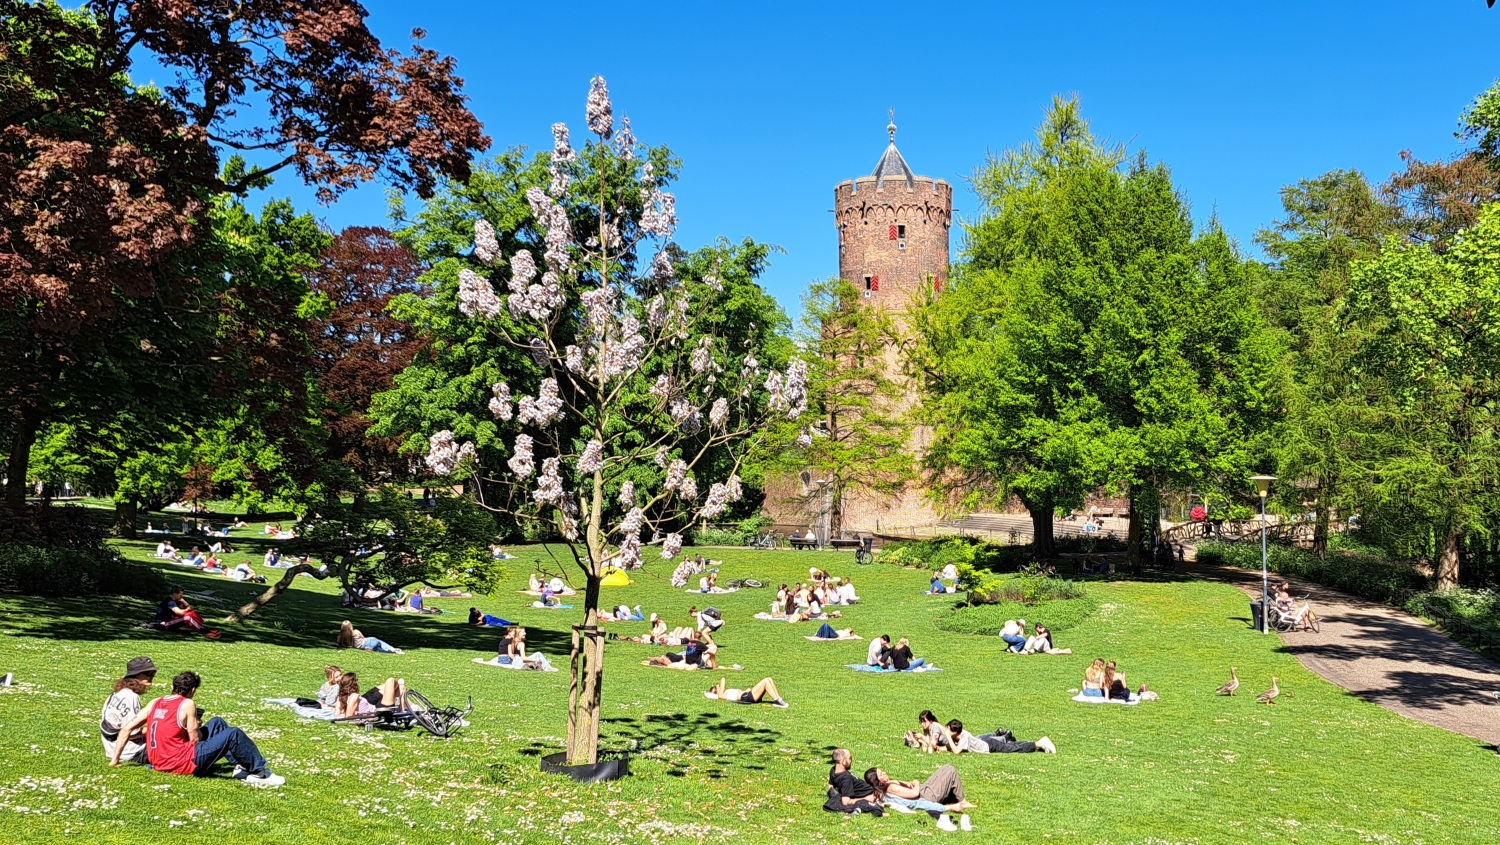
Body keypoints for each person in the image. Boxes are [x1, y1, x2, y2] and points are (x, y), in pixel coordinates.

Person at [109, 671, 284, 787]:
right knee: (233, 734)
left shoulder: (156, 702)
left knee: (217, 723)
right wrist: (195, 725)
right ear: (193, 690)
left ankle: (241, 766)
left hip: (158, 760)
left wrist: (115, 760)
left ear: (173, 687)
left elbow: (126, 729)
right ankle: (260, 772)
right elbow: (194, 740)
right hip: (180, 762)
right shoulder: (187, 704)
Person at [862, 766, 970, 830]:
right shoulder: (891, 788)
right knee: (950, 769)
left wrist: (907, 783)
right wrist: (917, 782)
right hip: (927, 795)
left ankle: (956, 796)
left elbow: (903, 785)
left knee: (946, 767)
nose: (884, 772)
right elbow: (914, 794)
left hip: (924, 789)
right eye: (881, 773)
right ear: (878, 781)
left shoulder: (886, 785)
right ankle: (963, 801)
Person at [100, 656, 157, 764]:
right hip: (132, 752)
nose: (151, 676)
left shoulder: (115, 694)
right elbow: (130, 732)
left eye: (152, 673)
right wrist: (154, 729)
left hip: (110, 749)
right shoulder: (131, 697)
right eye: (147, 673)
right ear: (136, 675)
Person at [946, 718, 1056, 754]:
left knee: (1013, 749)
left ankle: (1039, 743)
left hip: (990, 746)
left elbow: (956, 751)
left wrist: (947, 736)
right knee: (1012, 746)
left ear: (954, 732)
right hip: (989, 743)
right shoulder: (958, 735)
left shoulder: (964, 736)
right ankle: (1039, 744)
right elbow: (949, 747)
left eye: (948, 729)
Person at [825, 748, 883, 815]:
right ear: (843, 761)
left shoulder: (833, 770)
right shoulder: (846, 778)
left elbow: (831, 787)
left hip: (874, 789)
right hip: (875, 794)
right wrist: (866, 798)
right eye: (850, 758)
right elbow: (846, 802)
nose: (851, 761)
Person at [335, 672, 408, 719]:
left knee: (401, 687)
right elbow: (349, 717)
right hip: (380, 711)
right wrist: (360, 715)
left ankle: (401, 712)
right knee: (391, 680)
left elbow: (336, 715)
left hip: (377, 709)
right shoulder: (354, 696)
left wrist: (345, 714)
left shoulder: (341, 697)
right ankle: (401, 712)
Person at [704, 676, 789, 707]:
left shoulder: (724, 693)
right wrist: (717, 688)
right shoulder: (721, 695)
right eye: (716, 688)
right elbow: (723, 679)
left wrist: (746, 690)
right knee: (766, 681)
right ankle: (777, 700)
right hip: (747, 697)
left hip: (747, 695)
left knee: (769, 679)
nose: (717, 686)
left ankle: (778, 699)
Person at [337, 620, 404, 654]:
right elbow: (363, 638)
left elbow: (339, 643)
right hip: (368, 642)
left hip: (363, 647)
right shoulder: (355, 632)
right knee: (379, 642)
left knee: (378, 647)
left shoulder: (341, 636)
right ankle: (392, 649)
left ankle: (391, 651)